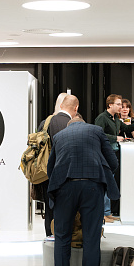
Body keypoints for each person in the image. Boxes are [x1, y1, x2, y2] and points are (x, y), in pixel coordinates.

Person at [45, 115, 118, 266]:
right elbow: (113, 162)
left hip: (65, 186)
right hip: (92, 185)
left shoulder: (59, 136)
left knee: (62, 236)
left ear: (69, 126)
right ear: (84, 123)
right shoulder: (96, 131)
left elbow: (50, 167)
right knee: (91, 237)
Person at [39, 94, 81, 237]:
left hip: (45, 173)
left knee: (49, 208)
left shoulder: (45, 122)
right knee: (67, 209)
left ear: (61, 106)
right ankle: (64, 238)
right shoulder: (73, 124)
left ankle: (49, 237)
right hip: (66, 174)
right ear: (76, 108)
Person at [94, 94, 125, 221]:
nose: (121, 107)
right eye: (118, 104)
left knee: (110, 182)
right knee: (105, 182)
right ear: (110, 105)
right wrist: (115, 138)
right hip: (105, 153)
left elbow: (127, 128)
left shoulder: (116, 118)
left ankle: (107, 212)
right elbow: (98, 134)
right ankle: (103, 213)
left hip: (113, 152)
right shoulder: (102, 118)